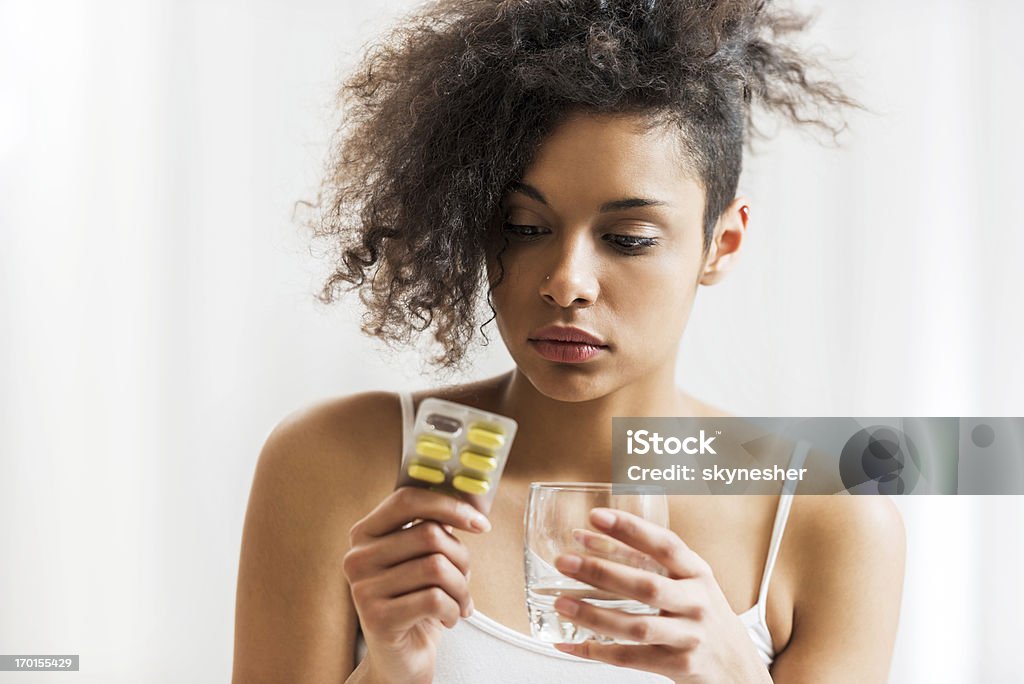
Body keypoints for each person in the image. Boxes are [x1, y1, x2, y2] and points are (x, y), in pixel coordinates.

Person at [233, 1, 905, 682]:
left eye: (628, 240)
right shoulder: (348, 462)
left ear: (721, 243)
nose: (566, 283)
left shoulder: (826, 520)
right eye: (525, 227)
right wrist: (389, 672)